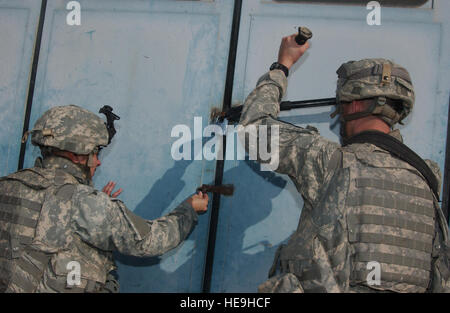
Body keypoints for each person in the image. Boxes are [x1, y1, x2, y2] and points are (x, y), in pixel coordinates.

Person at [239, 33, 450, 293]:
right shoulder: (426, 181)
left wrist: (281, 67)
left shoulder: (330, 162)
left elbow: (254, 130)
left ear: (355, 105)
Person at [0, 104, 209, 293]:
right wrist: (188, 209)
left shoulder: (7, 186)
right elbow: (150, 241)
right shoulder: (84, 202)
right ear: (77, 155)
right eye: (95, 152)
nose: (98, 162)